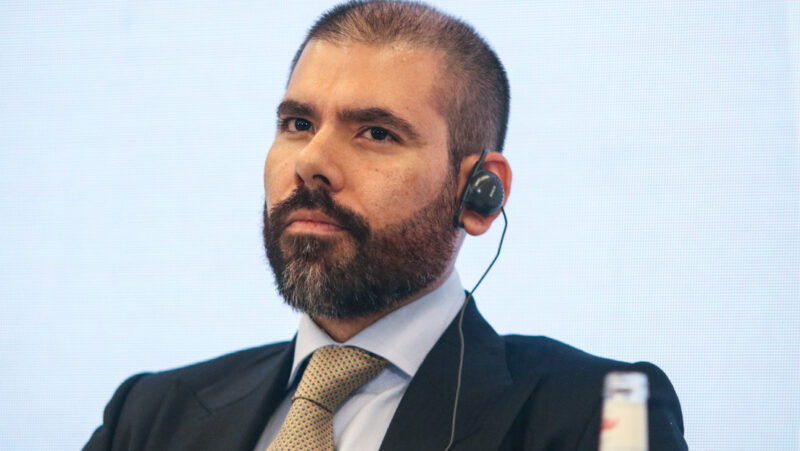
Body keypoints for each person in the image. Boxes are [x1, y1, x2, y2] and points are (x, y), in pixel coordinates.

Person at [85, 1, 687, 450]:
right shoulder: (148, 417)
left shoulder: (605, 411)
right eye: (298, 124)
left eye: (376, 133)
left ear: (480, 194)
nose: (311, 161)